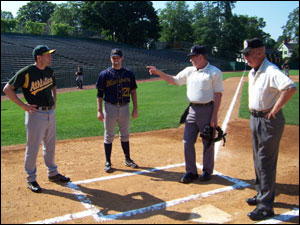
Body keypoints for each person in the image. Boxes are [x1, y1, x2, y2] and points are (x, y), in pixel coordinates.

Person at [146, 45, 223, 184]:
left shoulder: (214, 72)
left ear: (200, 57)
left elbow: (218, 95)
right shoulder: (189, 71)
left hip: (207, 110)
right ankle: (191, 171)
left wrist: (214, 116)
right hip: (192, 110)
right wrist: (160, 73)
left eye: (192, 57)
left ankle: (207, 171)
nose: (190, 60)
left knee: (208, 141)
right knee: (187, 141)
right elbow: (174, 80)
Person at [241, 38, 297, 221]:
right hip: (255, 118)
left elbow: (290, 87)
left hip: (268, 120)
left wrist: (275, 109)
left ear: (259, 52)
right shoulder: (253, 71)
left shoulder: (271, 70)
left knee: (265, 161)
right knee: (258, 159)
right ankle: (260, 194)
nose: (246, 57)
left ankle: (265, 206)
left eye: (248, 54)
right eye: (245, 54)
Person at [3, 45, 70, 193]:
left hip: (50, 112)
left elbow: (53, 86)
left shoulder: (49, 71)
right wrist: (23, 105)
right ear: (38, 57)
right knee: (33, 147)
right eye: (47, 55)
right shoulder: (27, 72)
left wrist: (55, 101)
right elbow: (7, 89)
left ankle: (53, 173)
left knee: (50, 145)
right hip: (35, 114)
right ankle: (31, 178)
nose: (50, 57)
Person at [96, 48, 139, 173]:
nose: (116, 60)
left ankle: (127, 159)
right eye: (113, 58)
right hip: (109, 107)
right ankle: (108, 161)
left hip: (125, 107)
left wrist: (135, 108)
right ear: (111, 59)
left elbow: (133, 92)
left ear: (122, 58)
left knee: (125, 134)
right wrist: (99, 110)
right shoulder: (104, 74)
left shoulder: (129, 73)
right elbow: (99, 94)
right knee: (109, 135)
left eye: (117, 58)